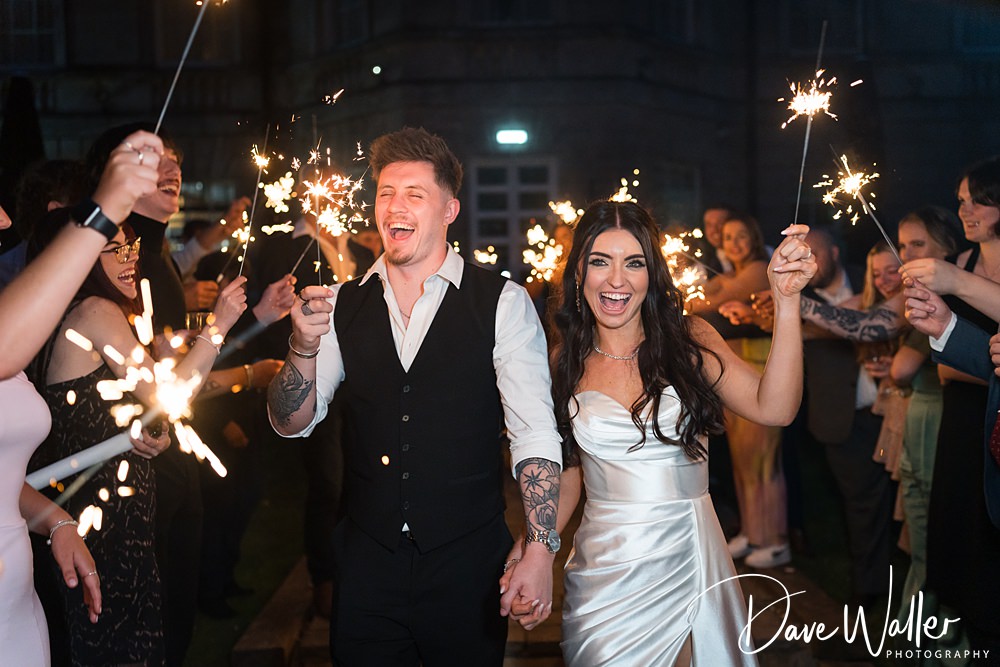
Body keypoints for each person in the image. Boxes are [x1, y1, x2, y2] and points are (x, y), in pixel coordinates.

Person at [267, 127, 562, 665]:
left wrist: (540, 549)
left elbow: (534, 433)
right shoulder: (340, 305)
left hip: (467, 563)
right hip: (366, 564)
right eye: (385, 193)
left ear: (449, 209)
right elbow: (291, 422)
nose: (394, 206)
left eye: (414, 194)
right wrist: (303, 346)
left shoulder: (502, 303)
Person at [505, 200, 814, 665]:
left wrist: (787, 302)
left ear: (653, 274)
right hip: (604, 570)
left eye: (634, 263)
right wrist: (535, 549)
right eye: (599, 262)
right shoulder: (562, 362)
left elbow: (777, 408)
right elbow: (567, 473)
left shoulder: (690, 341)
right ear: (578, 273)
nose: (616, 280)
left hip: (690, 557)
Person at [0, 131, 161, 665]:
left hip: (23, 592)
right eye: (111, 244)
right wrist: (106, 207)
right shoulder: (90, 315)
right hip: (102, 522)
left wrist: (57, 521)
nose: (5, 223)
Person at [901, 157, 1000, 659]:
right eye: (959, 198)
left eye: (975, 197)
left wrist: (956, 286)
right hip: (975, 429)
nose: (964, 208)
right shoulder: (962, 264)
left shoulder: (959, 273)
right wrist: (943, 327)